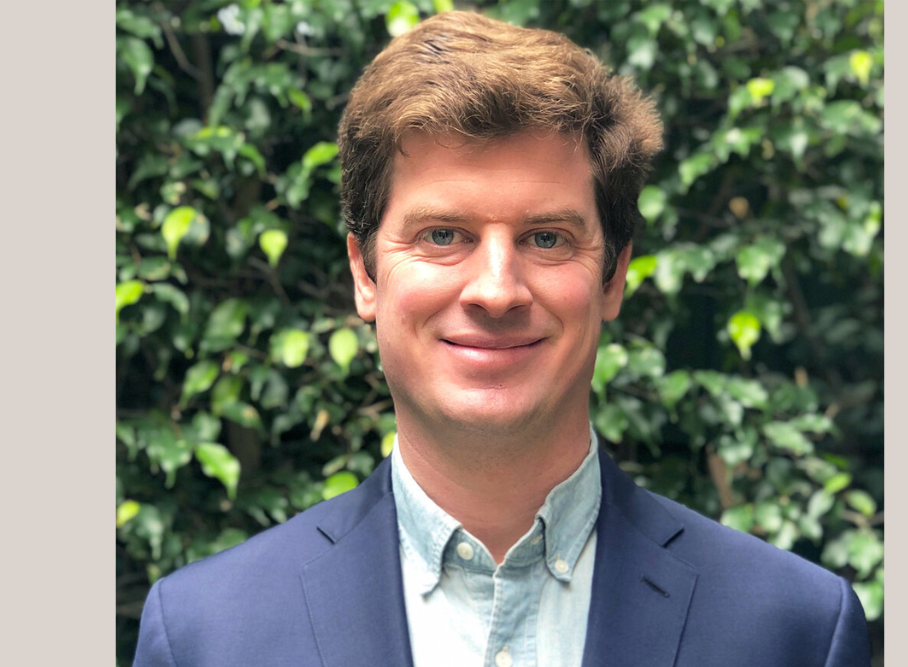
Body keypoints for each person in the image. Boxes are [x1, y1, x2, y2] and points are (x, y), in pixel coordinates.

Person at [134, 11, 870, 667]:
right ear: (365, 273)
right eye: (442, 235)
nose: (496, 290)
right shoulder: (203, 637)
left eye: (546, 238)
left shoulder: (794, 633)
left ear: (613, 277)